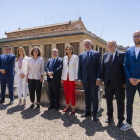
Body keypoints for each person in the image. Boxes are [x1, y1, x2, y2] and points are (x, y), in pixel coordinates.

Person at [102, 40, 126, 127]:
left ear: (116, 45)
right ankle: (110, 117)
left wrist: (124, 82)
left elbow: (124, 69)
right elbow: (103, 69)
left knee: (120, 102)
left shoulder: (122, 54)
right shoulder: (105, 55)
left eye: (112, 45)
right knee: (108, 101)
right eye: (109, 45)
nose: (110, 47)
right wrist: (103, 80)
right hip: (108, 83)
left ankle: (120, 119)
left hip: (119, 83)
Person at [121, 31, 140, 131]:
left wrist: (139, 78)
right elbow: (125, 65)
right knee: (129, 103)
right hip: (130, 82)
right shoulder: (129, 51)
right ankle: (129, 123)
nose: (136, 37)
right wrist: (130, 78)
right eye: (135, 36)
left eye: (138, 36)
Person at [78, 39, 101, 121]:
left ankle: (95, 113)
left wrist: (98, 78)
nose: (87, 45)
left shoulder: (96, 54)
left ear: (91, 45)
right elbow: (80, 68)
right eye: (85, 44)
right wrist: (79, 78)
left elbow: (99, 67)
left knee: (95, 97)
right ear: (84, 45)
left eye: (88, 44)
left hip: (94, 80)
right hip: (85, 79)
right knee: (87, 96)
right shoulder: (81, 55)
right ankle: (87, 111)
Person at [61, 45, 79, 113]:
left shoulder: (75, 57)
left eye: (70, 49)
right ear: (66, 50)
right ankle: (67, 106)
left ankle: (73, 107)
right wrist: (62, 78)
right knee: (66, 92)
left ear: (72, 50)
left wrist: (76, 78)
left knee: (72, 92)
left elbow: (77, 68)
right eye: (67, 49)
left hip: (72, 77)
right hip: (65, 77)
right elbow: (64, 68)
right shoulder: (65, 58)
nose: (69, 50)